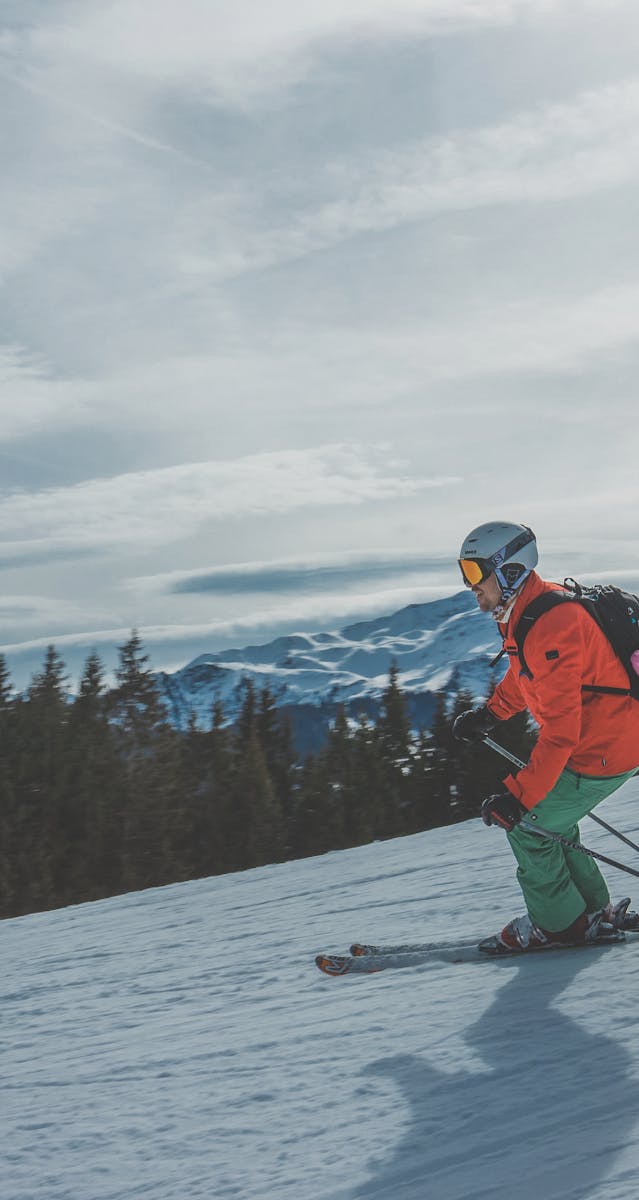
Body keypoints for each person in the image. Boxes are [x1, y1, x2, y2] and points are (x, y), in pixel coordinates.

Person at [452, 521, 639, 952]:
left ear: (510, 570)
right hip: (611, 737)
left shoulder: (551, 625)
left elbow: (560, 734)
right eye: (464, 571)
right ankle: (592, 910)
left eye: (475, 572)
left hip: (604, 749)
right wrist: (490, 714)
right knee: (553, 820)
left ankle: (558, 925)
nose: (469, 585)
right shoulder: (528, 612)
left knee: (529, 827)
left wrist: (518, 798)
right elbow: (525, 676)